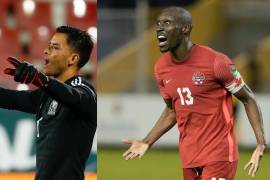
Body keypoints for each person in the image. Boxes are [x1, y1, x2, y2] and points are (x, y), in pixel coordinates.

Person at [123, 7, 266, 180]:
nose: (159, 28)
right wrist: (147, 141)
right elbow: (172, 110)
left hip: (219, 156)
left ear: (185, 28)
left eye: (167, 23)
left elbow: (248, 98)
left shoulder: (216, 62)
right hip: (189, 158)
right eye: (158, 24)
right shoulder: (161, 68)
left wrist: (260, 143)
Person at [0, 26, 96, 180]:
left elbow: (74, 96)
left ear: (73, 59)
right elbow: (11, 99)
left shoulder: (84, 90)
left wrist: (41, 80)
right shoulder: (45, 96)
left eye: (55, 47)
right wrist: (43, 83)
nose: (46, 51)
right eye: (48, 46)